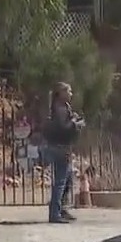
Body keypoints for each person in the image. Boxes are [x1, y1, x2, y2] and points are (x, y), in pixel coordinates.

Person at [42, 81, 84, 224]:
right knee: (60, 181)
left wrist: (73, 120)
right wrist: (76, 123)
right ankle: (55, 213)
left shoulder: (61, 107)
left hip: (60, 146)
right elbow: (64, 128)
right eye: (69, 91)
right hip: (60, 147)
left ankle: (61, 209)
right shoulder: (60, 109)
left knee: (68, 179)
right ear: (61, 93)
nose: (71, 94)